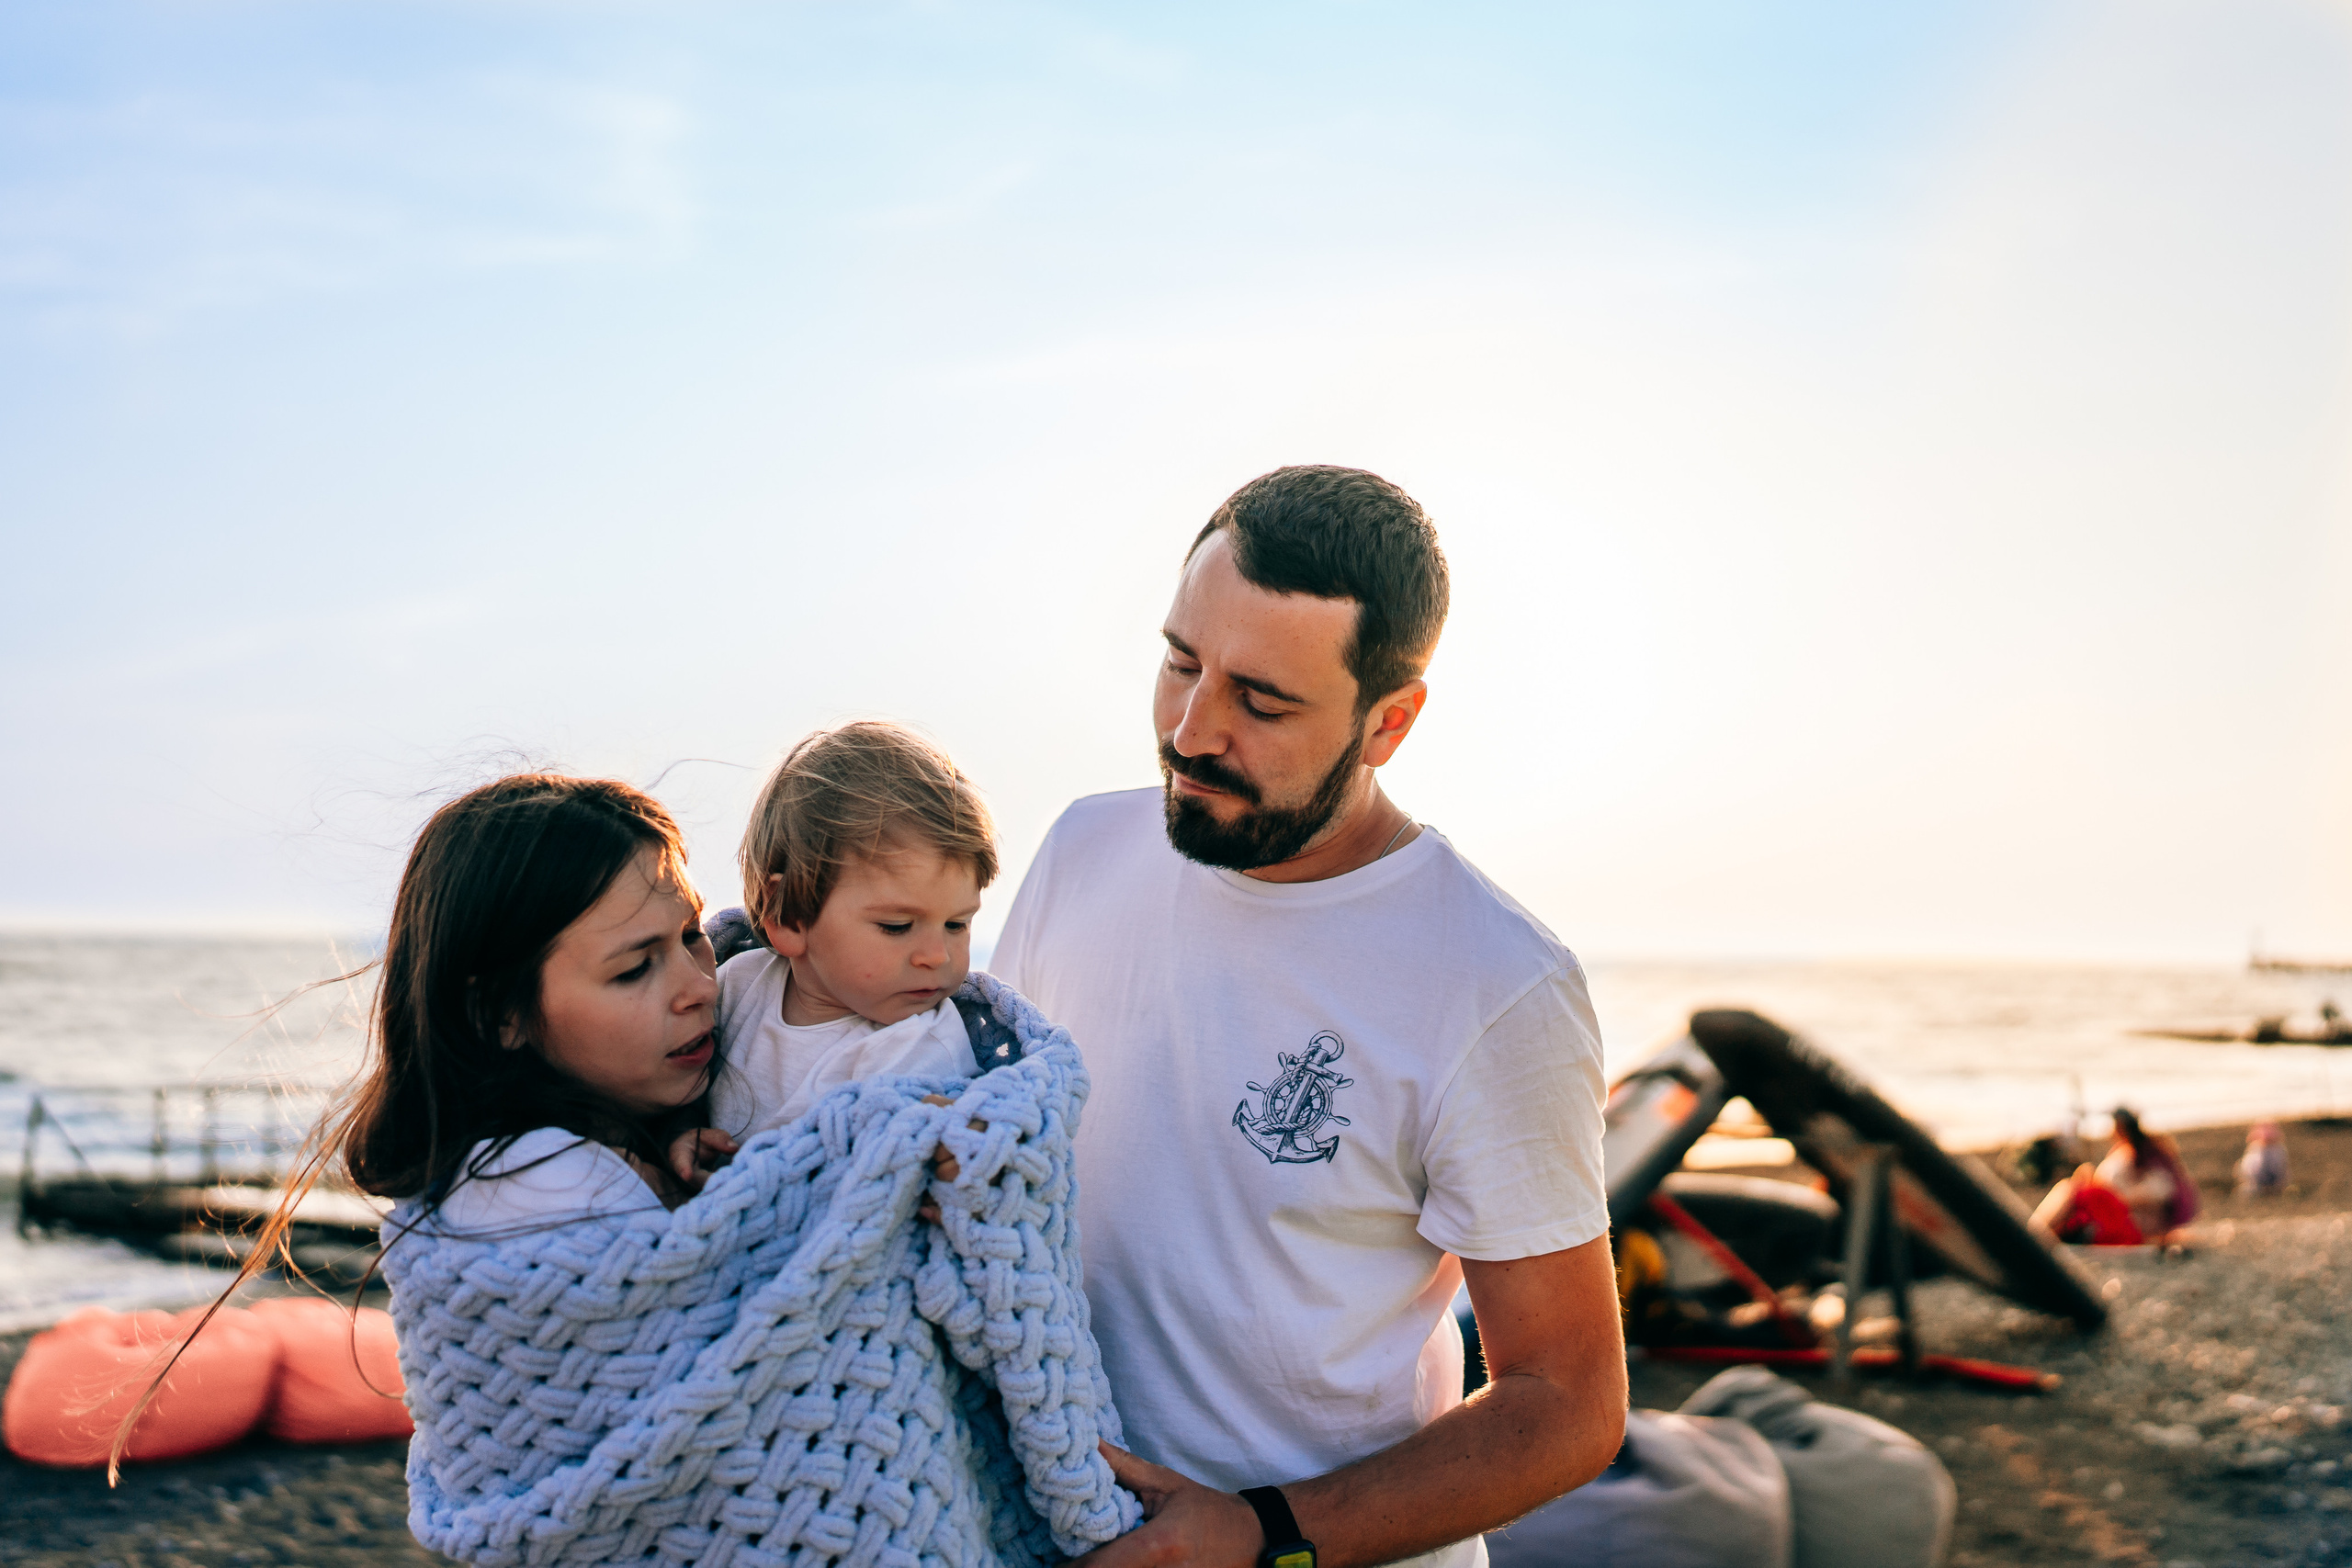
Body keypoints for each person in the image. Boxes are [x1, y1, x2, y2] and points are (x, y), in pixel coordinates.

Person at [990, 465, 1627, 1568]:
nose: (1191, 730)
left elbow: (1567, 1403)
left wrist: (1260, 1533)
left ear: (1388, 723)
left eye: (1261, 702)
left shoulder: (1494, 982)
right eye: (1181, 663)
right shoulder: (1081, 850)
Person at [2098, 1107, 2199, 1241]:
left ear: (2120, 1127)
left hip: (2151, 1218)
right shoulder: (2124, 1151)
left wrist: (2121, 1199)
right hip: (2127, 1211)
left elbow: (2163, 1189)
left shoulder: (2149, 1153)